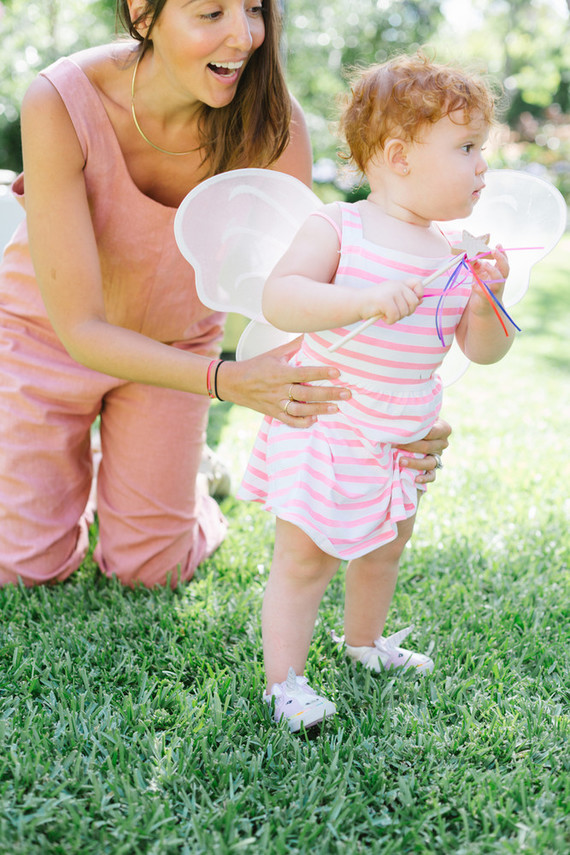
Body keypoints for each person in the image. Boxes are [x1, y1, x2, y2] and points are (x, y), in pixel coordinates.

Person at [0, 2, 449, 589]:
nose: (244, 36)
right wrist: (226, 381)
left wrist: (401, 415)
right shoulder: (59, 100)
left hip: (179, 352)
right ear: (143, 12)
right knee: (22, 569)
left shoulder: (273, 124)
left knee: (151, 571)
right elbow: (79, 329)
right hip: (47, 339)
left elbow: (312, 302)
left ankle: (190, 482)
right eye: (212, 11)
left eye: (253, 9)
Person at [237, 52, 516, 731]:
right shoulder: (341, 227)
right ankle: (286, 682)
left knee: (385, 545)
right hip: (327, 421)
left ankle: (363, 641)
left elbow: (485, 351)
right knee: (304, 559)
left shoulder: (455, 253)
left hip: (403, 433)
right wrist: (359, 298)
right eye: (467, 147)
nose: (484, 165)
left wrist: (488, 302)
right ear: (399, 156)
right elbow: (283, 297)